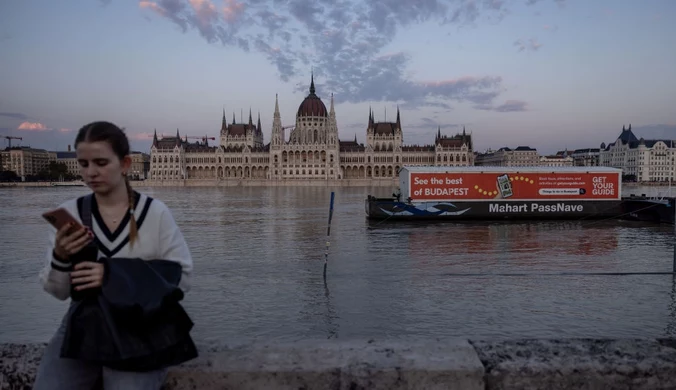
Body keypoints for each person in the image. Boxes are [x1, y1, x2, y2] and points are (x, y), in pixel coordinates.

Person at [33, 121, 194, 390]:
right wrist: (60, 257)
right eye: (84, 164)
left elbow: (184, 278)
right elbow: (59, 292)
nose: (91, 172)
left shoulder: (155, 213)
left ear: (125, 164)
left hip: (142, 326)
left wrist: (111, 275)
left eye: (101, 162)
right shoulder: (69, 213)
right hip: (87, 322)